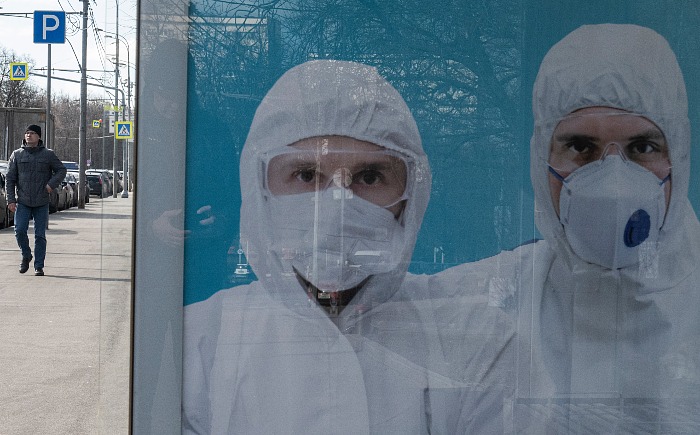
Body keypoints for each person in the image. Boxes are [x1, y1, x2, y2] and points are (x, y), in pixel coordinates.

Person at [419, 24, 700, 432]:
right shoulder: (473, 306)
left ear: (679, 158)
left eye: (642, 147)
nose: (614, 182)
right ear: (541, 159)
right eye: (581, 147)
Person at [182, 60, 479, 434]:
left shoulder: (464, 336)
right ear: (260, 190)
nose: (337, 208)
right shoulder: (200, 342)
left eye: (369, 176)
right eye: (306, 175)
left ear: (410, 198)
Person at [6, 124, 67, 276]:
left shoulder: (48, 154)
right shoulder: (17, 155)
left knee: (40, 235)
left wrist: (50, 185)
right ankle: (26, 255)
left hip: (41, 201)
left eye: (32, 133)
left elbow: (61, 170)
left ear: (39, 136)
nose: (29, 135)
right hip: (23, 201)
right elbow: (10, 179)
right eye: (27, 133)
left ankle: (39, 266)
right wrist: (11, 200)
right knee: (19, 230)